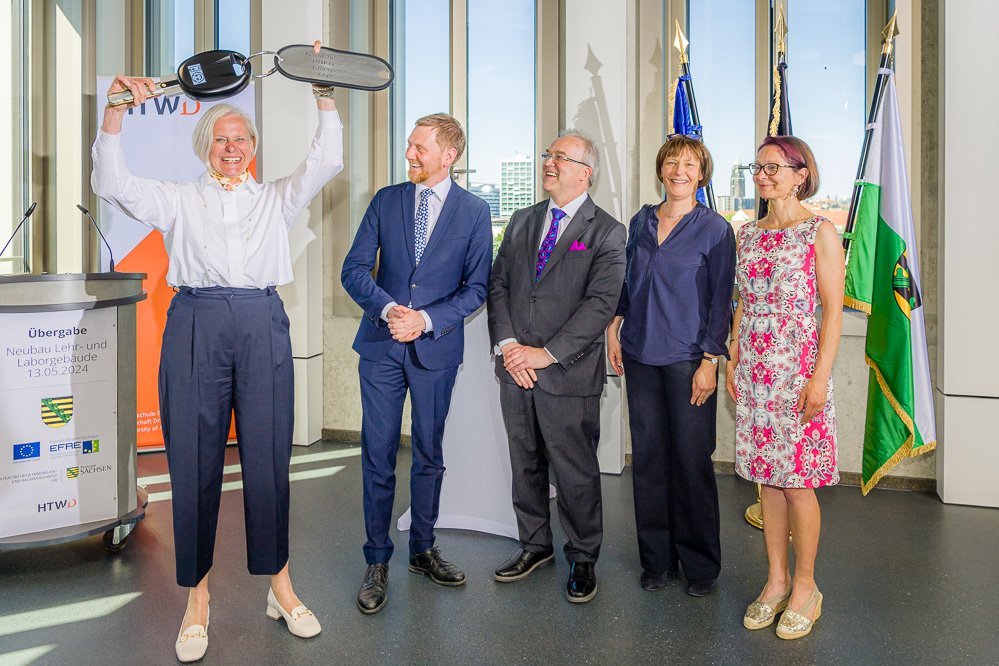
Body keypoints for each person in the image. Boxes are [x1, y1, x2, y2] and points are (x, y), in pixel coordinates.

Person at [92, 43, 342, 663]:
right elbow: (111, 181)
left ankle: (279, 588)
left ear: (253, 147)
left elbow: (327, 159)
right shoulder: (179, 199)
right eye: (221, 139)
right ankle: (196, 600)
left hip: (262, 321)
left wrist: (322, 88)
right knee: (195, 463)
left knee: (267, 459)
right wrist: (116, 111)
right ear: (206, 147)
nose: (232, 147)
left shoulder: (275, 198)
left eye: (241, 139)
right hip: (195, 322)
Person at [341, 113, 492, 615]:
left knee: (429, 452)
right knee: (378, 454)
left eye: (419, 148)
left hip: (434, 350)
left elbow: (476, 289)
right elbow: (354, 269)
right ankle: (377, 559)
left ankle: (422, 549)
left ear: (448, 155)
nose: (409, 155)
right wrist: (389, 310)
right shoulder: (387, 200)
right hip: (381, 347)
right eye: (409, 146)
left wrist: (425, 321)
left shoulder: (474, 211)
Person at [487, 130, 626, 604]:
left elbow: (601, 304)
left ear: (586, 172)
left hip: (565, 373)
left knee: (574, 472)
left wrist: (545, 354)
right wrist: (509, 346)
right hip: (516, 369)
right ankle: (535, 546)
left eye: (561, 158)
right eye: (548, 155)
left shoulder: (606, 230)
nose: (550, 162)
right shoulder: (523, 220)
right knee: (524, 462)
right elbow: (499, 285)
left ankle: (583, 557)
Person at [606, 135, 736, 597]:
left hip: (687, 361)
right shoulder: (640, 221)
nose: (679, 170)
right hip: (640, 354)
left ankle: (700, 565)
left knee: (690, 462)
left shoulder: (716, 229)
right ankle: (656, 559)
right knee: (650, 462)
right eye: (671, 162)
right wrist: (614, 325)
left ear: (702, 174)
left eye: (689, 164)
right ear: (661, 169)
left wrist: (709, 361)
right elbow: (628, 279)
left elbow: (722, 301)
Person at [728, 136, 843, 640]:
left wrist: (819, 377)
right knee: (767, 481)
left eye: (774, 167)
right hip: (754, 370)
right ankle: (774, 581)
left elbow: (833, 312)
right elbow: (741, 301)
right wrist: (731, 352)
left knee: (797, 484)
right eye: (758, 167)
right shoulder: (748, 234)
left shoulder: (820, 231)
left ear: (801, 174)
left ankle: (805, 586)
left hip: (797, 372)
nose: (763, 174)